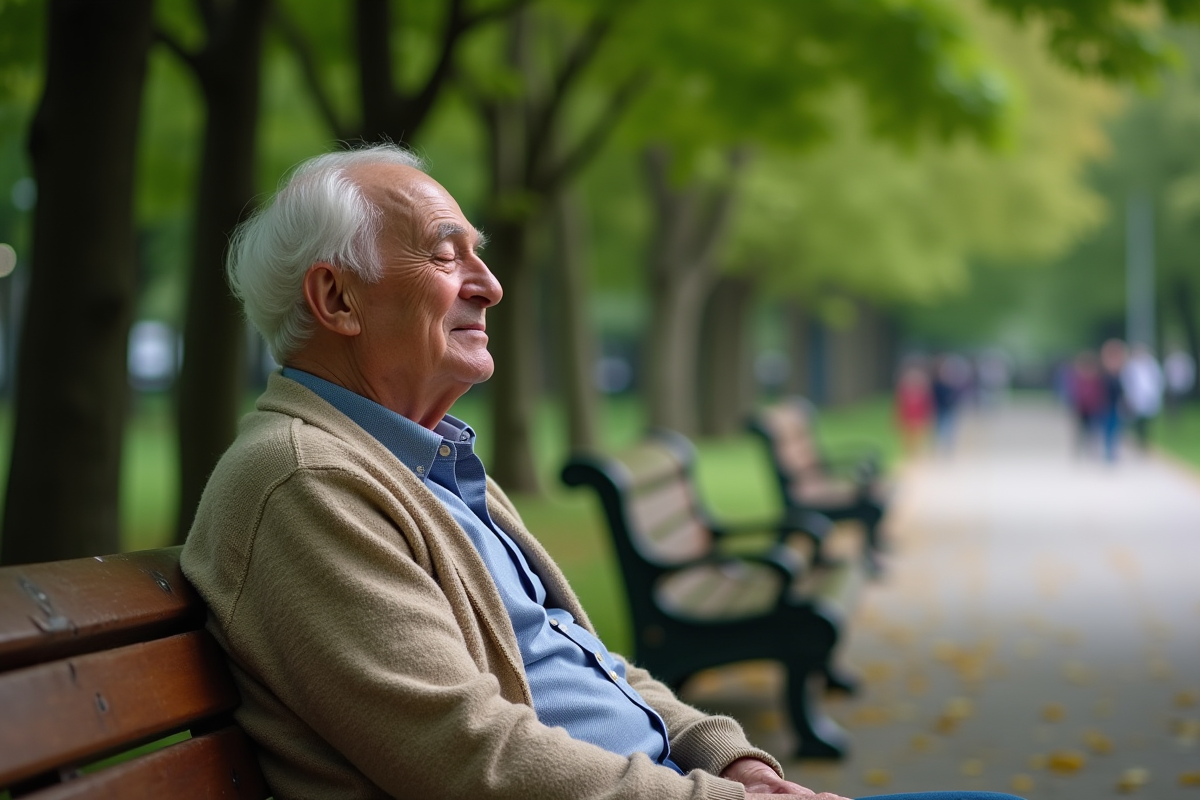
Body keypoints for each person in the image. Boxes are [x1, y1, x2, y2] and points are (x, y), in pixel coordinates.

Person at [181, 144, 1026, 800]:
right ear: (337, 301)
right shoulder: (305, 485)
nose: (492, 285)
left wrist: (725, 757)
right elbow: (472, 760)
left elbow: (594, 667)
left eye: (479, 254)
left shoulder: (419, 463)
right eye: (447, 257)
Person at [1120, 343, 1164, 451]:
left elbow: (1158, 379)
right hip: (1135, 397)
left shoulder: (1151, 364)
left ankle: (1144, 440)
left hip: (1149, 396)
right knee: (1137, 420)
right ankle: (1139, 440)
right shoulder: (1130, 366)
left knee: (1147, 421)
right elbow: (1126, 382)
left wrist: (1156, 392)